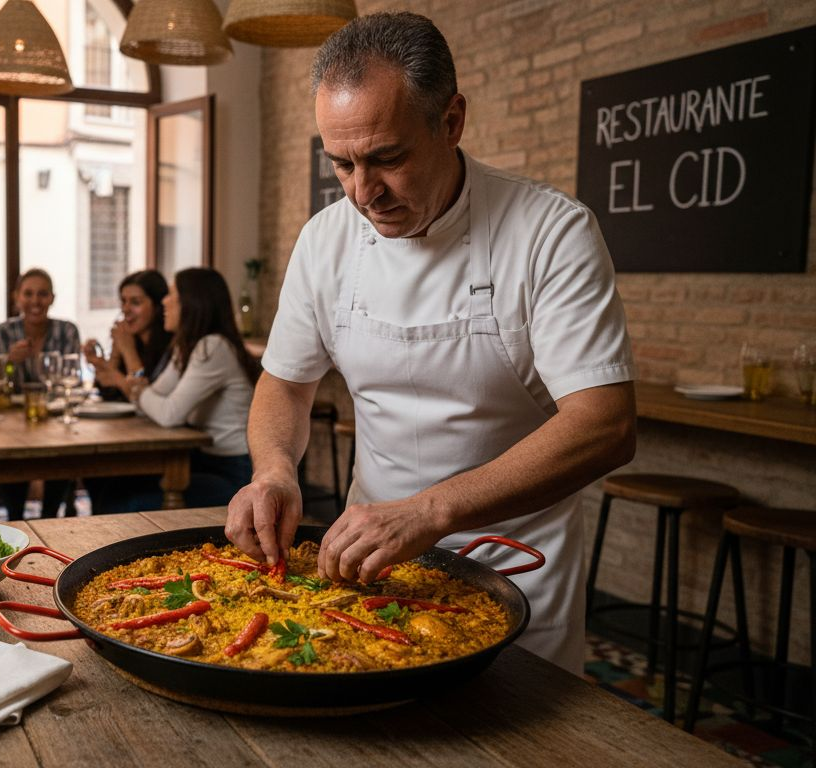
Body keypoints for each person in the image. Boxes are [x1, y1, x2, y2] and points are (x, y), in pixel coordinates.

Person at [225, 12, 637, 674]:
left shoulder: (550, 232)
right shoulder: (325, 239)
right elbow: (286, 383)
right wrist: (273, 469)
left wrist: (430, 511)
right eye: (342, 164)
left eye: (387, 159)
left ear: (451, 121)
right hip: (367, 568)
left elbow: (605, 425)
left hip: (514, 567)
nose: (364, 193)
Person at [91, 268, 257, 513]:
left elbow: (168, 413)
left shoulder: (213, 347)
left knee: (121, 501)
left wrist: (135, 384)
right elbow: (149, 403)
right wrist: (139, 389)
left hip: (233, 472)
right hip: (203, 461)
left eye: (172, 295)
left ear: (193, 303)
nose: (165, 302)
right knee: (111, 487)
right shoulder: (187, 346)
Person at [0, 268, 81, 520]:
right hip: (13, 419)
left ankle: (50, 515)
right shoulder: (2, 332)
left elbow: (67, 380)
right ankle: (15, 517)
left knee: (62, 448)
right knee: (8, 450)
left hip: (53, 417)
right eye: (28, 294)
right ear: (16, 297)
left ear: (52, 298)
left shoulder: (67, 331)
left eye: (42, 294)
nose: (35, 301)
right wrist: (10, 362)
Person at [83, 269, 173, 401]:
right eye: (123, 301)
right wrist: (102, 363)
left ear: (157, 305)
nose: (125, 309)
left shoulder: (171, 346)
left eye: (135, 302)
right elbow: (108, 392)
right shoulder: (129, 337)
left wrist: (128, 350)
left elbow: (149, 401)